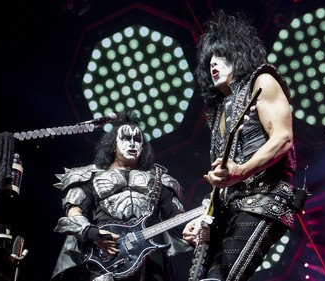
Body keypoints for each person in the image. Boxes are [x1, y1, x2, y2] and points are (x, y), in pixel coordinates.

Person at [182, 10, 297, 281]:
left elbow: (283, 139)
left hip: (264, 198)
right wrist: (204, 218)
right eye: (209, 60)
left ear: (238, 54)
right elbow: (224, 181)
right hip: (232, 206)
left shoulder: (262, 81)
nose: (214, 64)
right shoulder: (221, 109)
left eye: (221, 57)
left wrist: (242, 171)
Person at [51, 111, 191, 281]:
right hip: (106, 257)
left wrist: (198, 222)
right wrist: (92, 233)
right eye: (126, 138)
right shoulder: (89, 176)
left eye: (138, 139)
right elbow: (73, 213)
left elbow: (177, 218)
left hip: (151, 261)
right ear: (113, 145)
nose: (132, 144)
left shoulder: (160, 180)